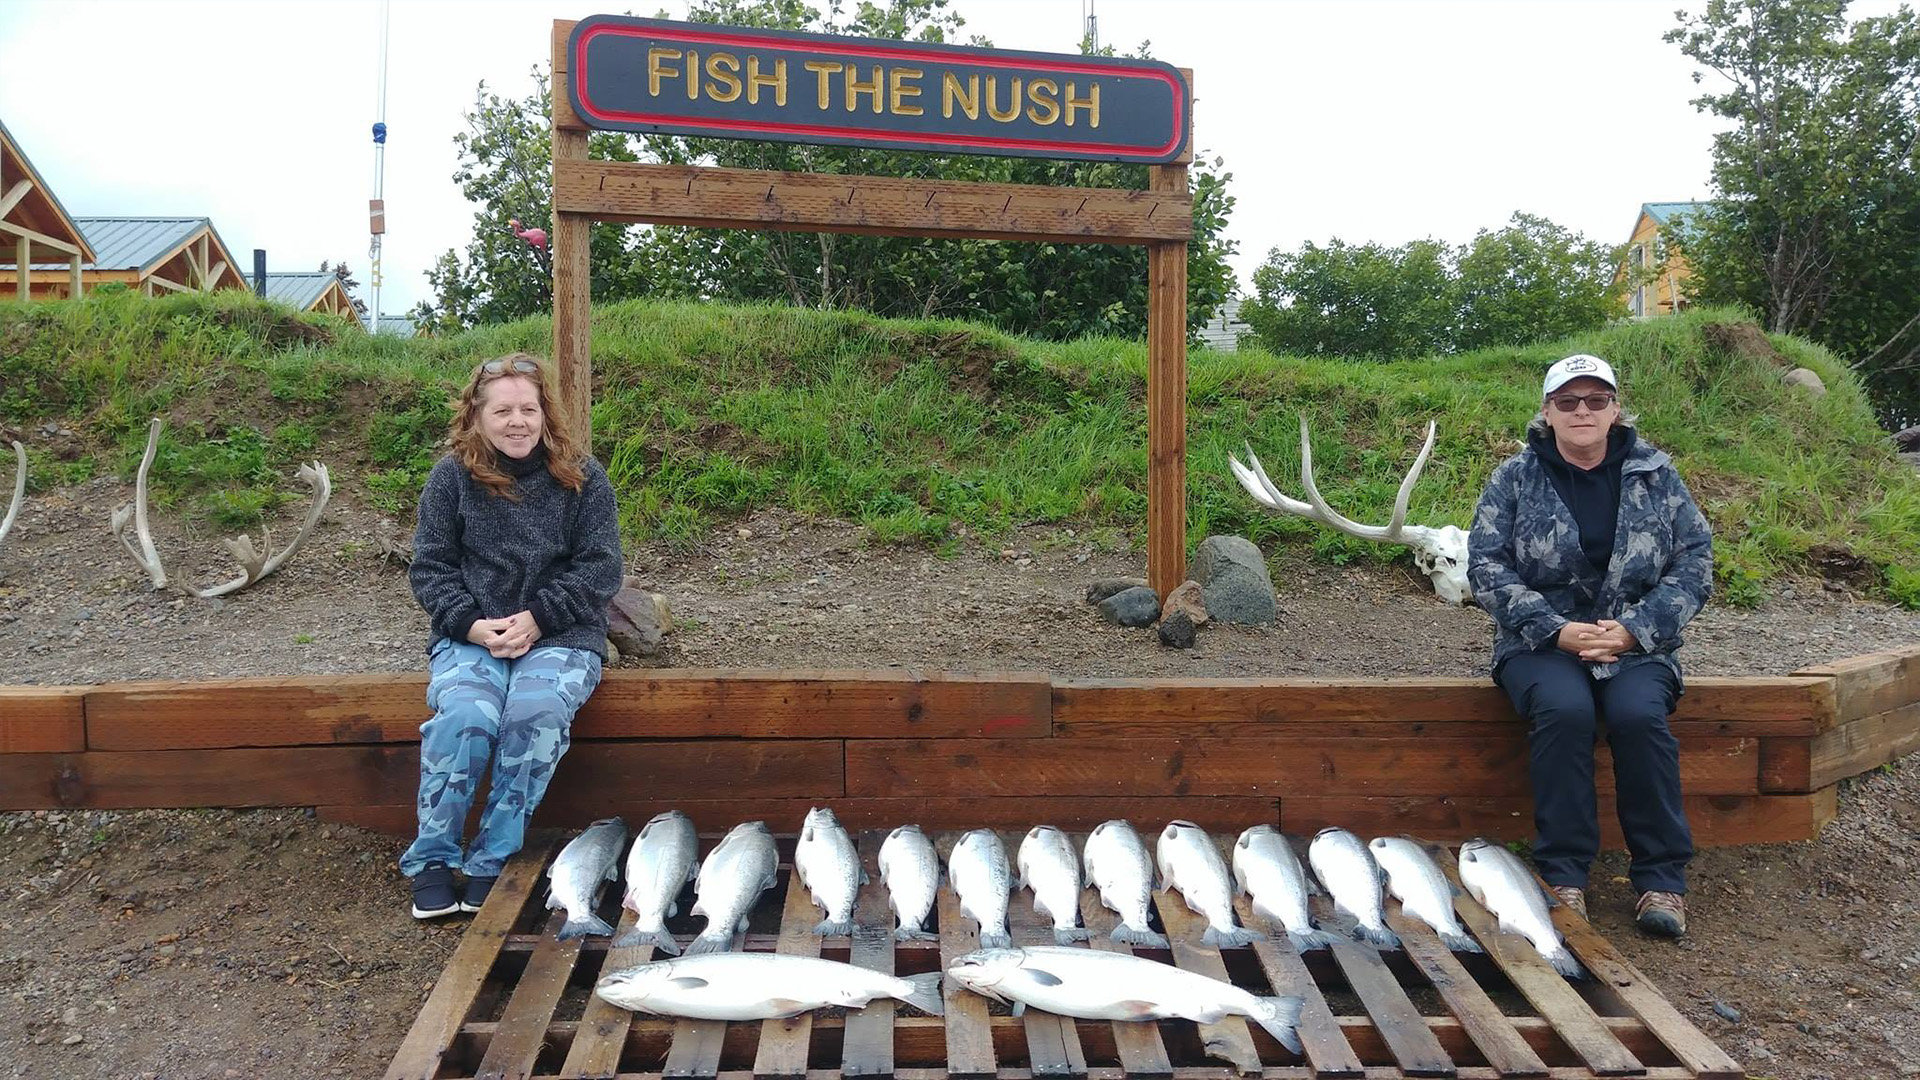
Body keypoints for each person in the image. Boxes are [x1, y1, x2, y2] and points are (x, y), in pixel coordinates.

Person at [1468, 353, 1712, 937]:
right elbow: (1485, 564)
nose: (1583, 411)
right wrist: (1554, 629)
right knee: (1565, 711)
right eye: (1569, 401)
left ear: (1615, 409)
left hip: (1638, 647)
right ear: (1548, 411)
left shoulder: (1657, 475)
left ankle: (1661, 880)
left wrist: (1636, 629)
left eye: (1596, 400)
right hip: (1539, 646)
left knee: (1638, 715)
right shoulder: (1514, 478)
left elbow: (1696, 561)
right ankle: (1562, 876)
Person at [399, 353, 624, 919]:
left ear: (545, 414)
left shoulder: (582, 477)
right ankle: (432, 857)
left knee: (536, 714)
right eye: (503, 410)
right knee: (465, 717)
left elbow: (601, 568)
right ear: (477, 417)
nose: (517, 421)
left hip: (560, 636)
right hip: (473, 634)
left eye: (528, 409)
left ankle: (490, 859)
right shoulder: (451, 478)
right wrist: (472, 625)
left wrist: (538, 618)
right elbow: (430, 567)